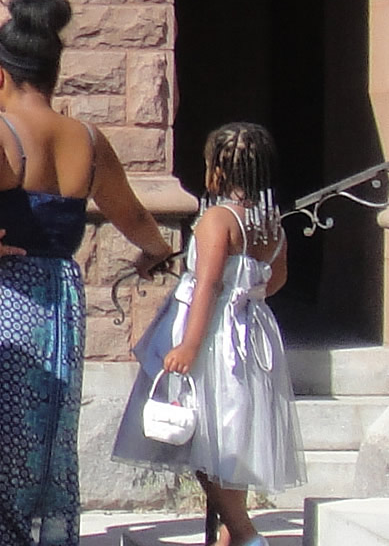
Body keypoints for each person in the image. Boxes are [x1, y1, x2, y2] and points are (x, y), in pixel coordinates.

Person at [0, 0, 175, 546]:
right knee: (49, 434)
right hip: (61, 298)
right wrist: (157, 252)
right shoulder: (87, 137)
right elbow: (131, 214)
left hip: (6, 298)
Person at [113, 123, 302, 546]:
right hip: (251, 331)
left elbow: (208, 284)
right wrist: (247, 294)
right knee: (232, 432)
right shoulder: (270, 225)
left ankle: (245, 532)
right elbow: (275, 280)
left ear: (216, 171)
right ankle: (231, 531)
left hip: (214, 338)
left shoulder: (217, 220)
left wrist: (190, 344)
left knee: (198, 437)